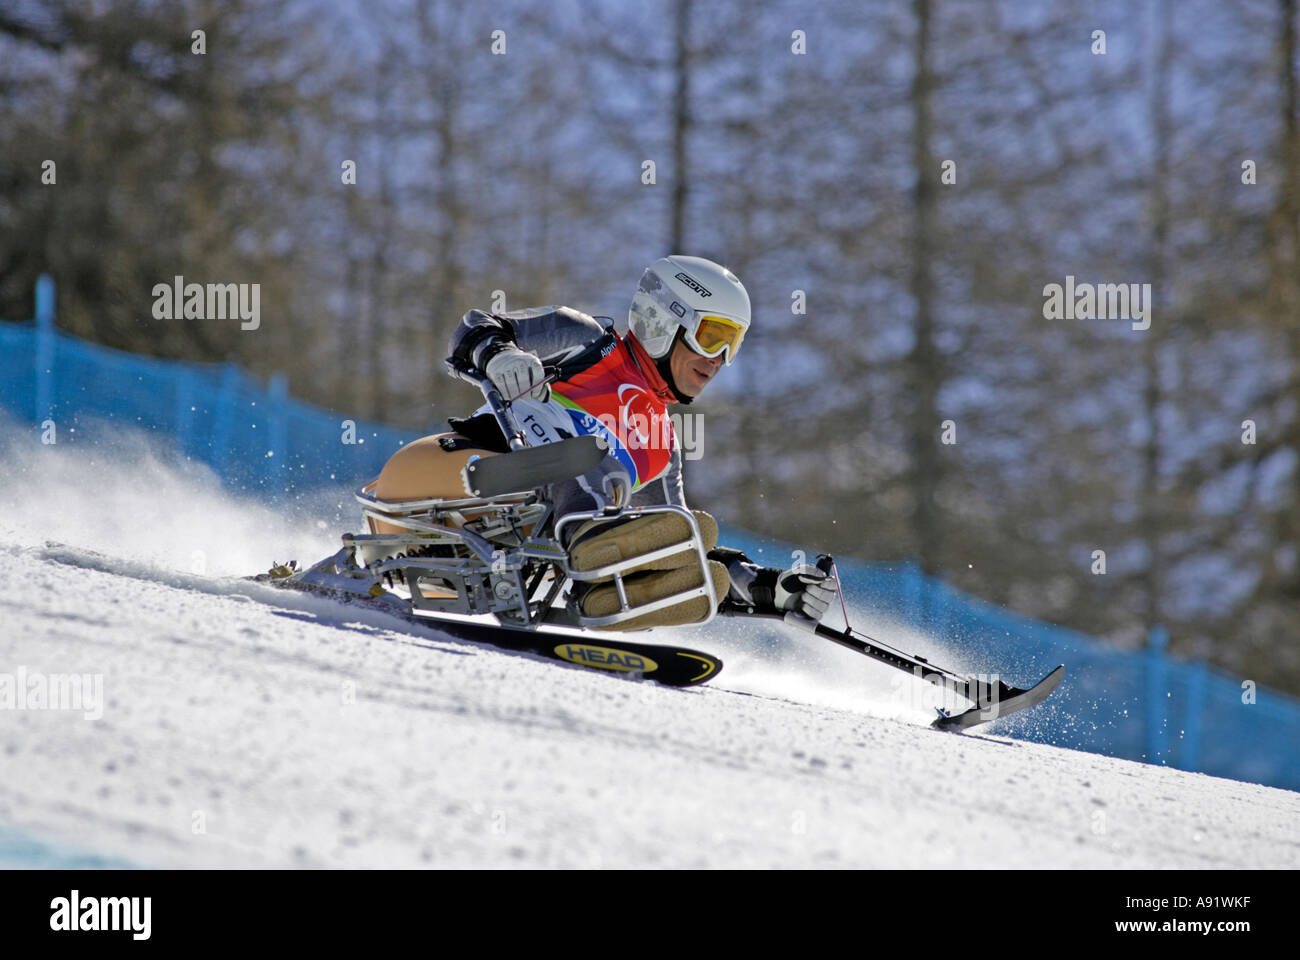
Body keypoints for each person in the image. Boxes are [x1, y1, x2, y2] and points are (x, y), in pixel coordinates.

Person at [373, 255, 836, 630]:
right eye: (712, 336)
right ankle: (591, 546)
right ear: (664, 319)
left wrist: (769, 589)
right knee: (595, 449)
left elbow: (670, 537)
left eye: (731, 345)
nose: (718, 360)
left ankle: (606, 592)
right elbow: (476, 326)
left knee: (690, 538)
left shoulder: (661, 446)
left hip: (496, 546)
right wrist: (501, 355)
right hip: (447, 477)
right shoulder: (587, 341)